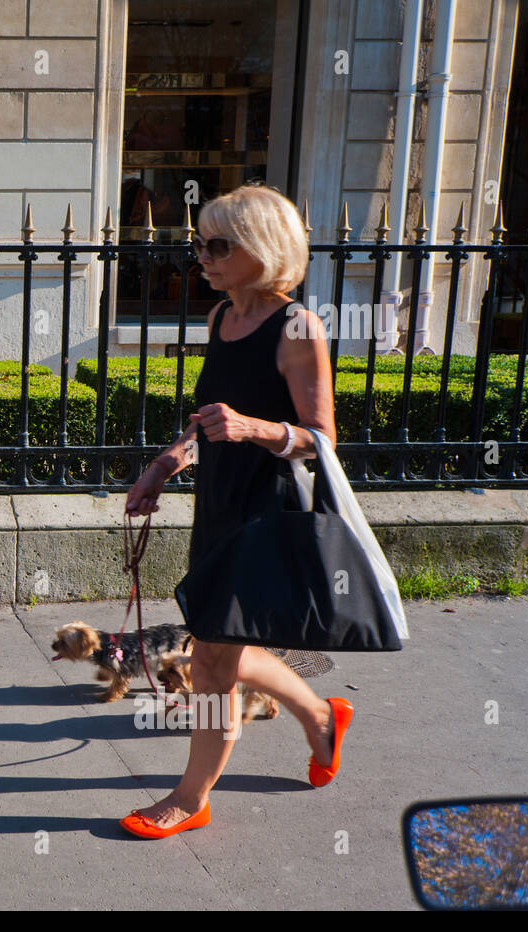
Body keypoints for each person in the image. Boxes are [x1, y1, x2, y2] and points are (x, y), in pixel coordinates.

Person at [121, 183, 353, 838]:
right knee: (218, 639)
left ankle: (190, 798)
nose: (203, 256)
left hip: (264, 509)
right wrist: (165, 465)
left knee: (214, 660)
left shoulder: (297, 327)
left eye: (218, 244)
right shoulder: (223, 319)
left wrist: (254, 429)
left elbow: (321, 439)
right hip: (217, 501)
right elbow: (208, 421)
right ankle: (318, 715)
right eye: (199, 244)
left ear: (264, 247)